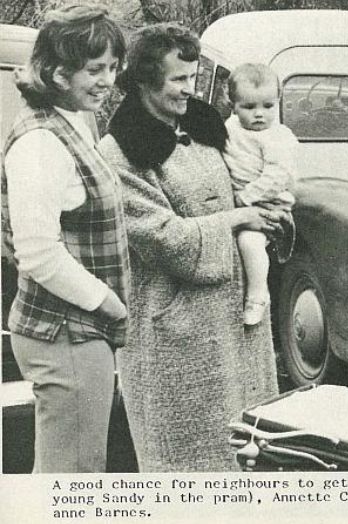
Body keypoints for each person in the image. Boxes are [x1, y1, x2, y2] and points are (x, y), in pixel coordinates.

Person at [97, 24, 282, 472]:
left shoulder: (206, 129)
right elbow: (165, 239)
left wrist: (270, 212)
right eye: (178, 80)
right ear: (143, 79)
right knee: (186, 465)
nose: (190, 89)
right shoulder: (119, 154)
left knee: (250, 455)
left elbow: (246, 188)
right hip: (173, 339)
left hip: (237, 327)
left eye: (193, 77)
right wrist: (237, 219)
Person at [0, 5, 128, 473]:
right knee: (70, 482)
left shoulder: (72, 119)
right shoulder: (40, 141)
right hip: (65, 334)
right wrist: (109, 302)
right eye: (94, 69)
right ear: (57, 73)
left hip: (74, 332)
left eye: (113, 67)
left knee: (69, 474)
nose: (107, 80)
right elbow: (36, 252)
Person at [222, 63, 298, 325]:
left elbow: (278, 176)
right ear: (232, 104)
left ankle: (258, 294)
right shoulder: (231, 128)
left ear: (278, 102)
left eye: (268, 106)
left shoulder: (278, 137)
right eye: (249, 107)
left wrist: (246, 197)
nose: (259, 115)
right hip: (238, 198)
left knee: (249, 241)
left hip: (269, 203)